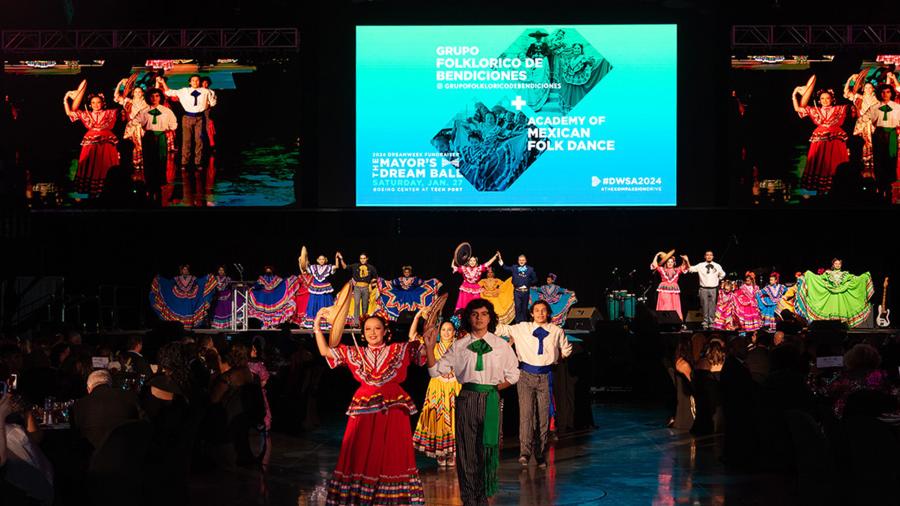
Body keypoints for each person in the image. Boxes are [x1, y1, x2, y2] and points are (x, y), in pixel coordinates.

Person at [313, 309, 427, 504]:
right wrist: (316, 326)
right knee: (361, 449)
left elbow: (422, 352)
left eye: (377, 328)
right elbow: (325, 351)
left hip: (393, 408)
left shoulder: (399, 349)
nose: (372, 332)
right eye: (368, 329)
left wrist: (427, 328)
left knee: (392, 451)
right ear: (363, 333)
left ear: (385, 331)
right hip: (364, 408)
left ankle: (390, 496)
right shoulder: (354, 352)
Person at [426, 299, 520, 505]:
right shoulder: (459, 346)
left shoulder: (501, 345)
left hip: (491, 399)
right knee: (467, 452)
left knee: (486, 450)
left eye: (484, 314)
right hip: (467, 398)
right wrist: (430, 346)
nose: (479, 318)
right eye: (475, 314)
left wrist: (493, 388)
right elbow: (434, 371)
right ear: (469, 317)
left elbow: (513, 375)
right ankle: (469, 498)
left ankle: (483, 496)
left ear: (490, 317)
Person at [495, 300, 572, 467]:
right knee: (526, 415)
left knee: (543, 417)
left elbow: (566, 349)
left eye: (544, 310)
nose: (540, 314)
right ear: (532, 313)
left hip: (545, 376)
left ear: (548, 313)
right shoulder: (522, 328)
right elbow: (500, 329)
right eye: (537, 310)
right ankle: (524, 452)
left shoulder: (556, 331)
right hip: (525, 376)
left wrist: (558, 358)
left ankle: (540, 453)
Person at [410, 311, 461, 467]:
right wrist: (416, 318)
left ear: (454, 332)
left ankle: (453, 452)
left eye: (449, 330)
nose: (446, 333)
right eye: (443, 329)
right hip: (437, 387)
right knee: (437, 419)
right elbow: (412, 338)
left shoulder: (460, 347)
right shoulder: (433, 346)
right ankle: (440, 451)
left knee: (454, 419)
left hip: (455, 387)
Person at [791, 79, 849, 193]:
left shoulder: (840, 108)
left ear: (832, 99)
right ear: (819, 100)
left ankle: (839, 184)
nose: (825, 100)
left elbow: (854, 101)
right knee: (820, 162)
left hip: (836, 138)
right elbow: (798, 108)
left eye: (827, 98)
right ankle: (821, 188)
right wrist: (794, 94)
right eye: (822, 98)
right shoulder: (814, 110)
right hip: (819, 139)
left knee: (835, 161)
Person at [63, 80, 119, 197]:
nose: (96, 105)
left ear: (103, 103)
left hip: (107, 142)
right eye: (93, 102)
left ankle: (110, 187)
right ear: (90, 104)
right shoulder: (84, 114)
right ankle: (90, 190)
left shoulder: (111, 112)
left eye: (98, 102)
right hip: (90, 142)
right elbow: (70, 112)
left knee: (105, 164)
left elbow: (121, 101)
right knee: (90, 164)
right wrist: (66, 98)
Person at [71, 370, 143, 450]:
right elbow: (144, 423)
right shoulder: (130, 396)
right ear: (110, 384)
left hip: (92, 456)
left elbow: (75, 436)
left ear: (88, 389)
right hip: (127, 452)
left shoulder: (78, 405)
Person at [157, 75, 216, 171]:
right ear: (190, 82)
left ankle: (198, 162)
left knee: (199, 140)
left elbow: (213, 103)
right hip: (187, 117)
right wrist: (163, 82)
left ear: (199, 82)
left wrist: (208, 103)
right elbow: (169, 92)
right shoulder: (185, 91)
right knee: (186, 140)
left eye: (197, 80)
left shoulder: (206, 92)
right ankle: (184, 162)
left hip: (200, 118)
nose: (195, 82)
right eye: (193, 80)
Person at [796, 258, 874, 328]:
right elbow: (818, 278)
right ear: (833, 265)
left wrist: (864, 277)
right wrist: (809, 274)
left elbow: (854, 279)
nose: (838, 265)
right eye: (836, 263)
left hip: (841, 297)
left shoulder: (845, 274)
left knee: (841, 316)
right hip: (831, 297)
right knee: (831, 315)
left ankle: (842, 329)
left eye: (839, 264)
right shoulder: (828, 274)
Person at [135, 89, 177, 202]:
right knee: (148, 159)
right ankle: (149, 181)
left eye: (157, 96)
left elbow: (173, 123)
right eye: (152, 96)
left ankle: (159, 181)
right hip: (148, 136)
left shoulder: (166, 111)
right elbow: (136, 121)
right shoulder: (144, 111)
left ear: (160, 97)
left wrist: (167, 130)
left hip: (161, 136)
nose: (154, 98)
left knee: (161, 158)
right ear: (148, 97)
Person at [149, 265, 217, 328]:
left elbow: (200, 282)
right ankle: (180, 326)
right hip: (179, 300)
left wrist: (207, 278)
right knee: (178, 310)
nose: (185, 271)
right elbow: (168, 284)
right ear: (181, 271)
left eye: (186, 269)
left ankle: (189, 326)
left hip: (190, 299)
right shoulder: (177, 278)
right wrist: (160, 280)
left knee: (190, 310)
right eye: (184, 269)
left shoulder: (193, 278)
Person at [866, 84, 900, 198]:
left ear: (891, 93)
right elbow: (865, 119)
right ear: (879, 93)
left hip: (891, 134)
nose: (885, 94)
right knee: (879, 159)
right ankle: (880, 185)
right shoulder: (874, 107)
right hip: (879, 134)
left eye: (888, 92)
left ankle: (889, 185)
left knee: (891, 158)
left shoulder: (897, 107)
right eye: (883, 92)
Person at [843, 75, 880, 177]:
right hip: (862, 123)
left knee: (874, 142)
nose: (868, 89)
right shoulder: (860, 97)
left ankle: (873, 164)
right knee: (861, 142)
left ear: (873, 89)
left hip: (873, 123)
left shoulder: (878, 99)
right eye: (866, 87)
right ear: (864, 89)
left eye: (870, 87)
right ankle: (861, 162)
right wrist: (850, 78)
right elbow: (846, 93)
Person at [113, 78, 149, 181]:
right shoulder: (129, 101)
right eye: (136, 91)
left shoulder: (146, 102)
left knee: (142, 145)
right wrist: (120, 83)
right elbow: (116, 96)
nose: (138, 93)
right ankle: (132, 163)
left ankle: (142, 163)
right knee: (131, 145)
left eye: (139, 91)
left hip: (142, 126)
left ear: (142, 93)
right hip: (131, 126)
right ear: (133, 93)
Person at [375, 266, 443, 321]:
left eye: (408, 272)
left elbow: (424, 282)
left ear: (410, 273)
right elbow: (390, 282)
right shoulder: (400, 279)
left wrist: (433, 281)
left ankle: (415, 317)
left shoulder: (414, 279)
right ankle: (400, 317)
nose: (406, 273)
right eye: (405, 272)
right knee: (395, 303)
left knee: (418, 302)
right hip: (401, 295)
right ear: (403, 273)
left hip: (413, 295)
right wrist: (382, 281)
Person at [687, 251, 726, 329]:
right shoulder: (701, 265)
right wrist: (687, 260)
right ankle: (705, 322)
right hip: (703, 288)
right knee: (704, 305)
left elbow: (723, 274)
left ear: (713, 256)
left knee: (712, 306)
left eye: (710, 255)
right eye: (707, 255)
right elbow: (690, 269)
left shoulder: (717, 266)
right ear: (705, 256)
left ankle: (711, 322)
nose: (709, 256)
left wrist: (718, 279)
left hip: (713, 288)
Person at [302, 250, 344, 320]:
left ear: (325, 260)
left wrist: (336, 258)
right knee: (314, 303)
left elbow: (336, 266)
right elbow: (305, 268)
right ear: (318, 260)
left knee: (324, 303)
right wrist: (304, 259)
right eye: (320, 259)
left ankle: (324, 319)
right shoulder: (313, 267)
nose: (321, 260)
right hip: (315, 287)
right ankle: (313, 319)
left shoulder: (328, 267)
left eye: (323, 259)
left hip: (325, 287)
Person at [650, 251, 691, 321]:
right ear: (666, 263)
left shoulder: (677, 270)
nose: (670, 263)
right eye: (668, 262)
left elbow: (685, 267)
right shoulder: (662, 269)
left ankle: (675, 320)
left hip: (674, 289)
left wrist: (686, 260)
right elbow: (655, 265)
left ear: (674, 263)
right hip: (664, 289)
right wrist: (656, 255)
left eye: (671, 262)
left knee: (674, 305)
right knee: (665, 304)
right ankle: (664, 320)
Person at [499, 253, 538, 323]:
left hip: (525, 291)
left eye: (523, 260)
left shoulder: (530, 269)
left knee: (524, 308)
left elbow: (535, 279)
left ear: (526, 261)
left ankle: (524, 323)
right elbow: (505, 267)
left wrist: (528, 284)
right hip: (517, 291)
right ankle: (518, 323)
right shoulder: (514, 267)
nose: (521, 261)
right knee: (517, 307)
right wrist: (500, 260)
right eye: (520, 260)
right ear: (518, 261)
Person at [347, 253, 379, 326]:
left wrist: (371, 283)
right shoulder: (355, 266)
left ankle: (364, 321)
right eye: (361, 258)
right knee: (357, 303)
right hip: (357, 287)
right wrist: (341, 259)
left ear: (367, 259)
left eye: (364, 258)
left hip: (366, 287)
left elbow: (375, 277)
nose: (362, 260)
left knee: (365, 305)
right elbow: (345, 267)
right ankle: (356, 322)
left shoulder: (371, 267)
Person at [200, 76, 217, 149]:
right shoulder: (197, 91)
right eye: (203, 83)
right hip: (197, 111)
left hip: (207, 111)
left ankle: (211, 144)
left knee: (208, 127)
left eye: (206, 83)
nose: (204, 84)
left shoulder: (211, 92)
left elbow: (213, 103)